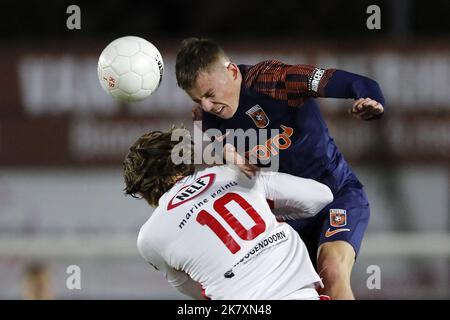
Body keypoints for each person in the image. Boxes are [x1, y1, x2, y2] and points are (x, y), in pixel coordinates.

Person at [175, 38, 386, 299]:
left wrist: (371, 101)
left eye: (209, 95)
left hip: (335, 194)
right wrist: (230, 158)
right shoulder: (207, 118)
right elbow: (218, 155)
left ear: (230, 71)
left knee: (331, 272)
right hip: (284, 219)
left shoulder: (273, 81)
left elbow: (355, 83)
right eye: (197, 99)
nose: (206, 105)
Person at [124, 128, 333, 300]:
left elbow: (198, 292)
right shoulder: (232, 172)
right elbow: (321, 196)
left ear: (142, 191)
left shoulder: (149, 238)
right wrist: (267, 208)